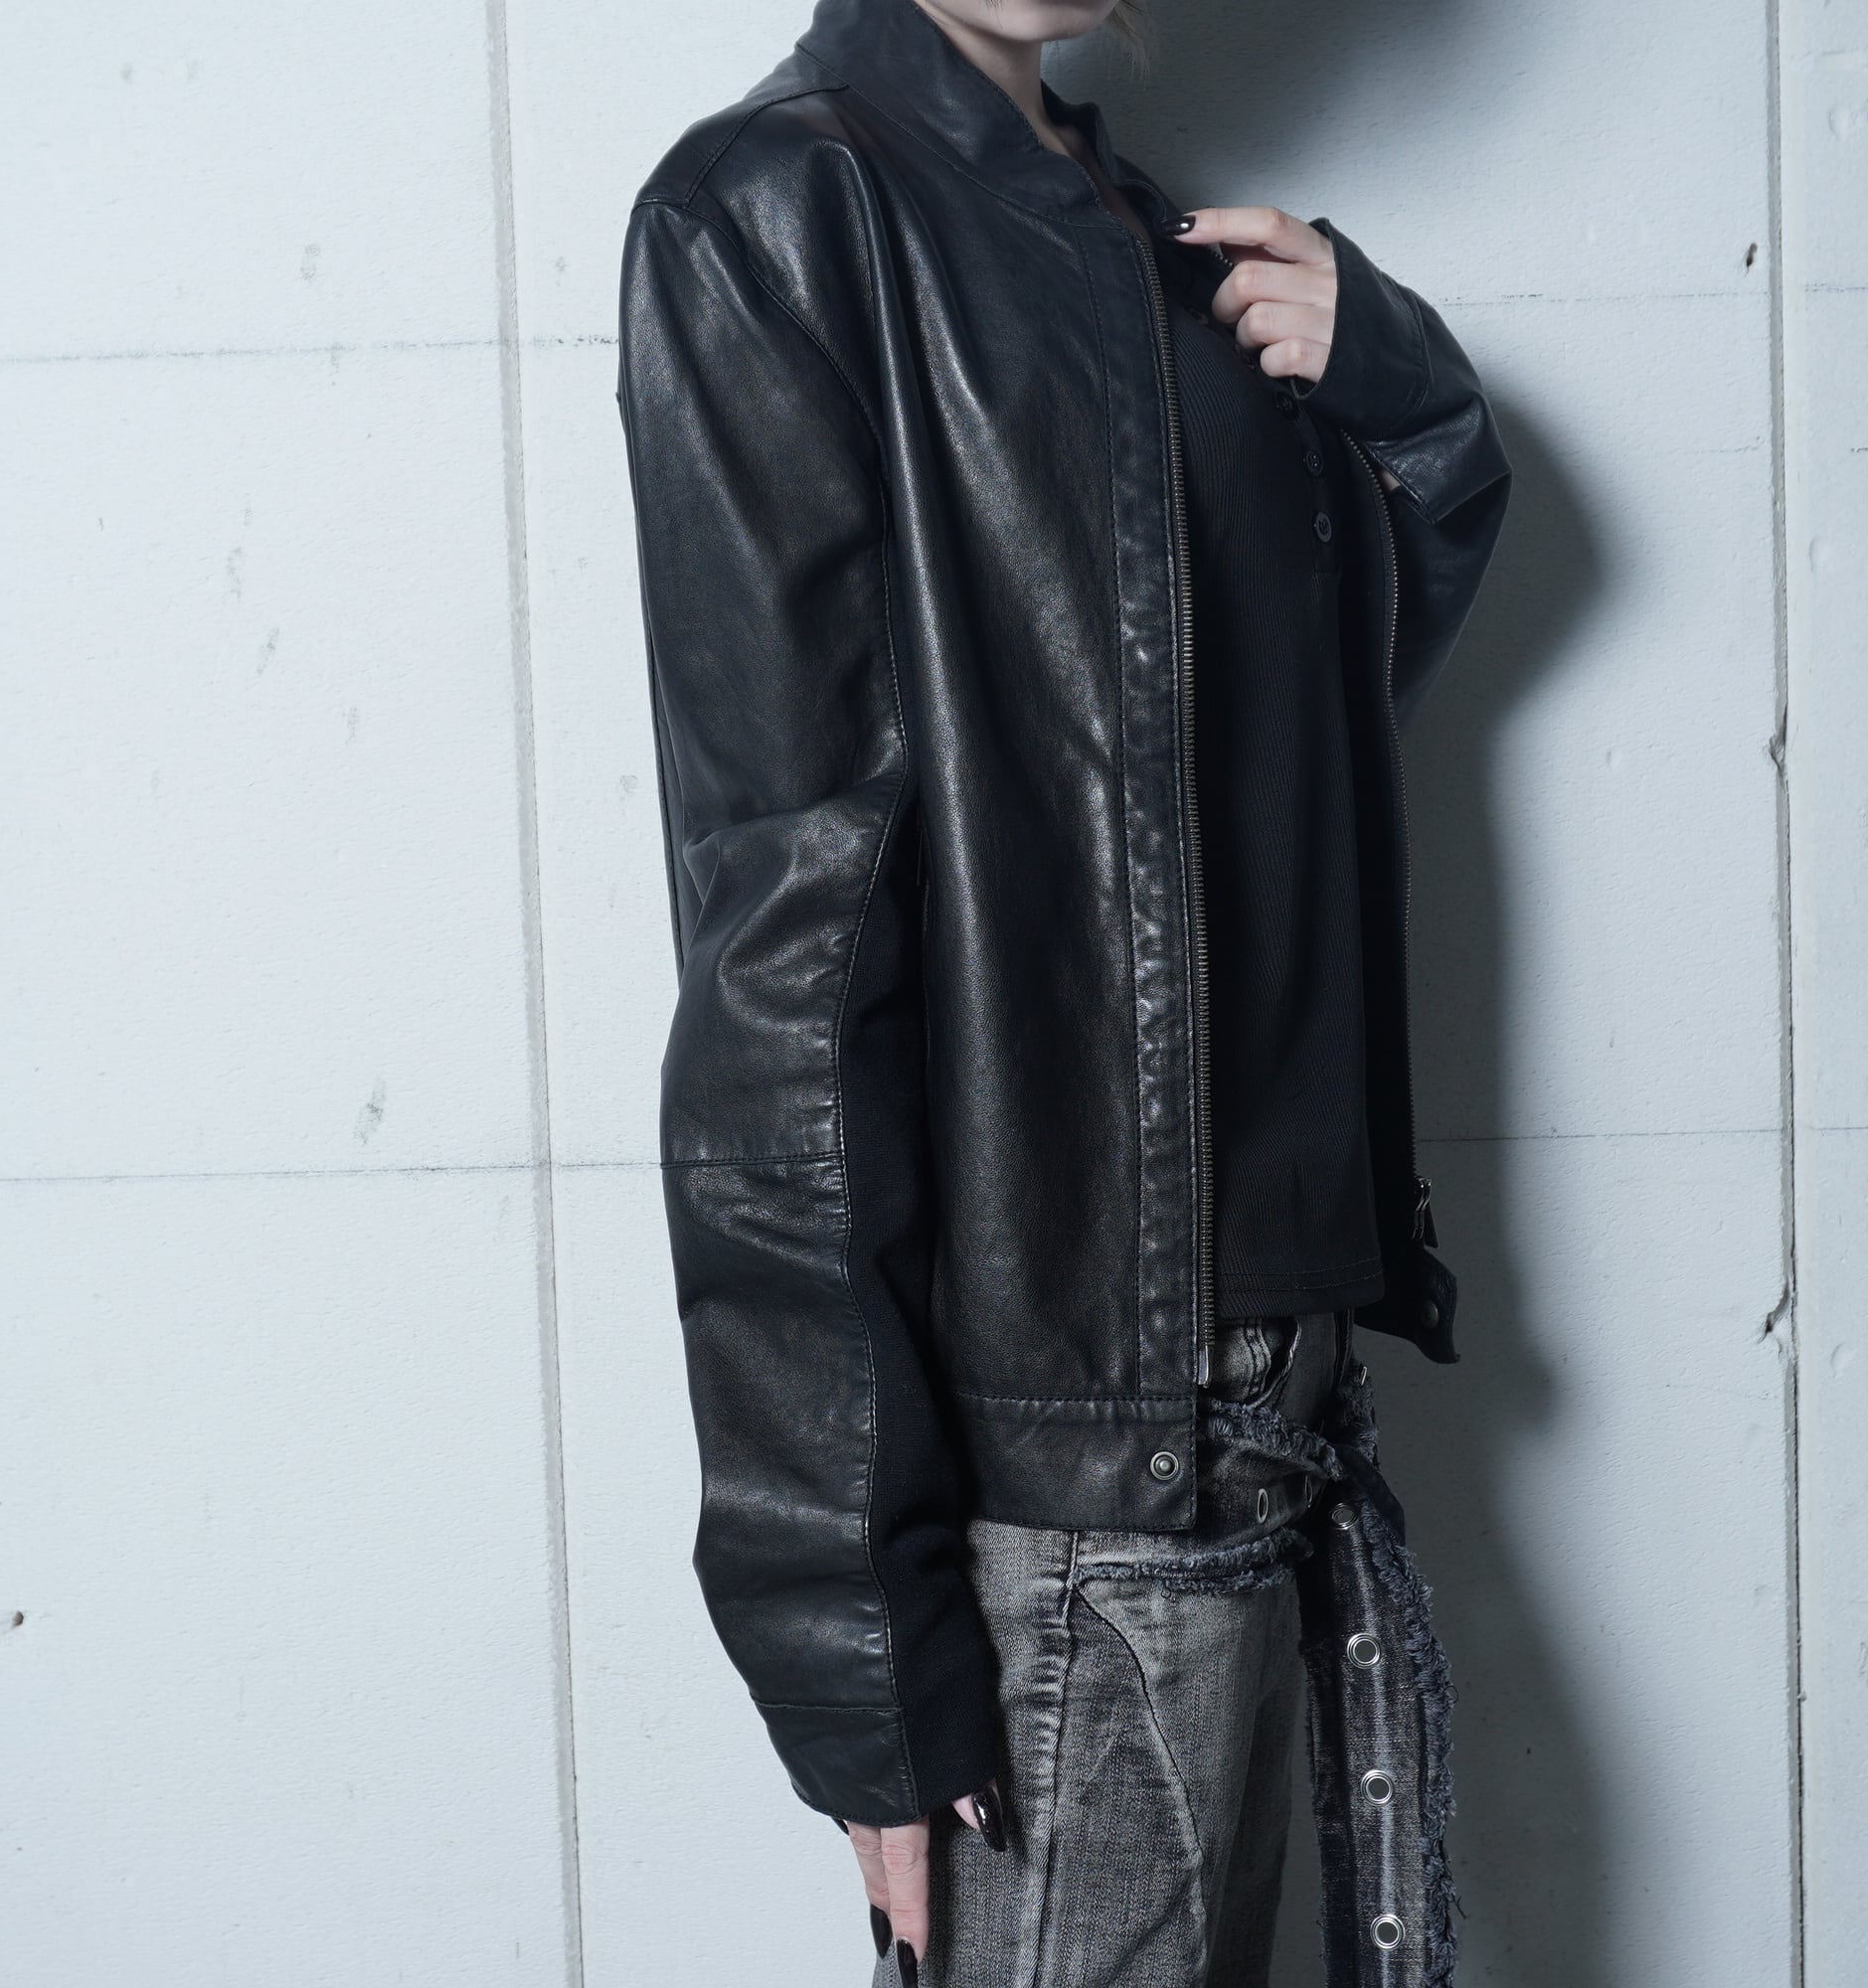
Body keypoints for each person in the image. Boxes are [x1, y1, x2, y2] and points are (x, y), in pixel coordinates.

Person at [615, 0, 1510, 1979]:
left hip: (1276, 1434)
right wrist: (844, 1623)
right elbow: (781, 963)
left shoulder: (1162, 250)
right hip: (1064, 1501)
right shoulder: (777, 213)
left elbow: (1304, 739)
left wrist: (1406, 400)